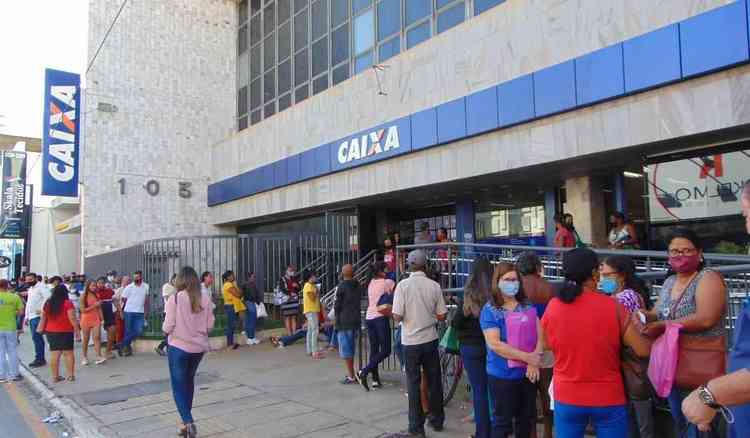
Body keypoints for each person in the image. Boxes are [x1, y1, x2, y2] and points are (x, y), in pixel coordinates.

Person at [542, 248, 651, 438]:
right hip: (608, 396)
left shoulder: (554, 306)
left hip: (568, 395)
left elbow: (545, 344)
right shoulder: (612, 306)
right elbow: (642, 350)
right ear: (593, 273)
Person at [642, 228, 727, 438]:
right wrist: (642, 315)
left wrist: (665, 325)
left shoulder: (708, 277)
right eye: (674, 251)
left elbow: (706, 317)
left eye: (687, 250)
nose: (680, 256)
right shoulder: (670, 281)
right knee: (682, 422)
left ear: (699, 253)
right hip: (673, 364)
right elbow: (658, 312)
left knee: (703, 423)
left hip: (702, 364)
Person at [682, 181, 750, 438]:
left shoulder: (708, 279)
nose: (746, 226)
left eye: (746, 215)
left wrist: (711, 394)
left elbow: (706, 317)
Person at [480, 263, 542, 438]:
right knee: (502, 422)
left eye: (515, 280)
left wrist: (534, 360)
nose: (512, 283)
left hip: (527, 375)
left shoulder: (526, 305)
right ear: (497, 282)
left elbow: (540, 335)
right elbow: (495, 344)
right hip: (502, 376)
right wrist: (529, 358)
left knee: (526, 420)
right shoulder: (491, 310)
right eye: (507, 279)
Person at [392, 250, 447, 436]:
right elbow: (442, 315)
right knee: (434, 382)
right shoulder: (434, 286)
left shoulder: (402, 286)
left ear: (409, 265)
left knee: (413, 384)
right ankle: (437, 420)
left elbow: (397, 316)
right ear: (426, 265)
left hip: (410, 342)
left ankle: (416, 427)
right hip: (430, 340)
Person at [599, 255, 655, 438]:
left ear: (621, 276)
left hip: (631, 364)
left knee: (638, 419)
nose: (603, 279)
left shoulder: (625, 297)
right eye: (601, 274)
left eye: (608, 275)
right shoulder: (624, 295)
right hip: (631, 364)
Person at [163, 266, 215, 438]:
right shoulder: (205, 298)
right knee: (188, 382)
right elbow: (210, 326)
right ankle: (185, 424)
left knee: (178, 386)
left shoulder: (175, 299)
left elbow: (167, 326)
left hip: (178, 347)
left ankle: (189, 421)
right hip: (198, 348)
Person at [452, 258, 493, 438]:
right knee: (492, 390)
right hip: (492, 346)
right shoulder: (495, 295)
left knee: (479, 391)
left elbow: (456, 322)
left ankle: (483, 433)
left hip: (470, 347)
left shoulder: (468, 295)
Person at [358, 261, 395, 390]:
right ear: (380, 271)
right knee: (386, 350)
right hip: (380, 318)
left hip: (369, 317)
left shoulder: (371, 283)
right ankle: (364, 371)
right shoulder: (387, 283)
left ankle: (375, 379)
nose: (388, 271)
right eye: (386, 269)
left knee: (374, 349)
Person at [38, 284, 80, 382]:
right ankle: (70, 375)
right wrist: (77, 331)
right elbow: (72, 319)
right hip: (66, 330)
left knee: (54, 354)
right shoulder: (68, 303)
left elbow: (44, 316)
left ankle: (55, 377)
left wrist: (41, 327)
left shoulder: (48, 303)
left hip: (51, 331)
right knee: (68, 353)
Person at [334, 264, 362, 385]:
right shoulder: (357, 285)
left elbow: (337, 305)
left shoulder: (341, 287)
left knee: (346, 350)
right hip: (355, 319)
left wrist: (336, 319)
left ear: (342, 273)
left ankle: (351, 375)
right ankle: (356, 372)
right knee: (353, 348)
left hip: (344, 321)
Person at [120, 271, 150, 356]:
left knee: (138, 331)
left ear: (141, 277)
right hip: (129, 311)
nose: (136, 279)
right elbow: (123, 299)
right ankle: (126, 349)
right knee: (128, 331)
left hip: (140, 312)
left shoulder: (146, 286)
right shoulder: (129, 287)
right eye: (134, 277)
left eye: (137, 277)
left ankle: (122, 344)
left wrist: (146, 312)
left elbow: (146, 301)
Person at [24, 272, 50, 368]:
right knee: (36, 338)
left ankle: (40, 359)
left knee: (38, 338)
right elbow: (29, 303)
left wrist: (42, 309)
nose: (29, 281)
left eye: (30, 279)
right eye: (27, 280)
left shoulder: (41, 287)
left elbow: (48, 297)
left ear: (35, 279)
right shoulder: (31, 289)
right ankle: (40, 358)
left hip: (38, 316)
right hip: (31, 316)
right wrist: (26, 316)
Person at [0, 279, 24, 382]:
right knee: (12, 351)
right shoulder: (14, 297)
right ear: (7, 286)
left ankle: (1, 375)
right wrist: (13, 313)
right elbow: (21, 312)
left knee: (0, 352)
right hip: (10, 327)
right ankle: (15, 374)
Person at [79, 281, 106, 365]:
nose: (94, 287)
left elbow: (99, 308)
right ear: (88, 286)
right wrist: (94, 305)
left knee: (97, 337)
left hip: (96, 319)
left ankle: (98, 356)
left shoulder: (96, 295)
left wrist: (102, 319)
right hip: (86, 319)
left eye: (95, 286)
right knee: (86, 339)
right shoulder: (83, 296)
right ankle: (84, 357)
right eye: (92, 285)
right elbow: (82, 310)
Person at [302, 270, 324, 359]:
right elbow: (312, 298)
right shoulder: (308, 286)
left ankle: (310, 350)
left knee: (311, 330)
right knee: (315, 330)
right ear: (310, 277)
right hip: (311, 310)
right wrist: (316, 290)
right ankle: (315, 352)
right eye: (314, 276)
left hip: (312, 310)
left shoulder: (311, 286)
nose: (315, 278)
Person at [95, 277, 117, 360]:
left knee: (112, 330)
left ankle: (108, 351)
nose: (101, 284)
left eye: (102, 283)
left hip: (108, 313)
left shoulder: (109, 291)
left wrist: (119, 311)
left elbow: (115, 301)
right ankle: (94, 355)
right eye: (99, 283)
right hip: (96, 314)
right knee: (97, 335)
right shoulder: (93, 292)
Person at [221, 270, 244, 350]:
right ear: (228, 277)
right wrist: (239, 292)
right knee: (230, 325)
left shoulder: (232, 284)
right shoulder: (227, 285)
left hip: (233, 306)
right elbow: (238, 294)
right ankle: (229, 344)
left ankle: (231, 343)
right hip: (230, 306)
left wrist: (238, 291)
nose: (234, 277)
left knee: (233, 325)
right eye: (232, 275)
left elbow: (239, 293)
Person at [156, 274, 177, 356]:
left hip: (176, 312)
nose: (176, 281)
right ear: (172, 279)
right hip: (168, 311)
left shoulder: (177, 287)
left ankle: (162, 347)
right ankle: (164, 348)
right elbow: (167, 298)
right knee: (169, 332)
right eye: (175, 280)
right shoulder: (166, 286)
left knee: (173, 332)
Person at [279, 265, 301, 336]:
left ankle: (294, 334)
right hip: (286, 300)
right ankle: (289, 334)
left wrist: (297, 286)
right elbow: (282, 289)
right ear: (286, 271)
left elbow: (299, 288)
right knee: (287, 317)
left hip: (294, 299)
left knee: (293, 316)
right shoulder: (282, 279)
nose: (291, 272)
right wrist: (290, 293)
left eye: (292, 271)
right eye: (290, 270)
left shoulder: (294, 279)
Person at [241, 272, 262, 345]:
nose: (254, 278)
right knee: (251, 321)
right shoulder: (247, 284)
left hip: (250, 303)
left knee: (250, 320)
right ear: (249, 277)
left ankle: (251, 338)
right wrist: (257, 300)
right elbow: (252, 295)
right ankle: (250, 338)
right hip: (250, 303)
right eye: (253, 277)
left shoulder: (250, 284)